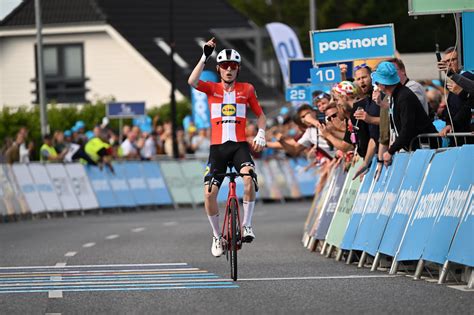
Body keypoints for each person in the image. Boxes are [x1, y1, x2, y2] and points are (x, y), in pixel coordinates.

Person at [188, 38, 266, 257]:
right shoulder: (211, 88)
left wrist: (261, 133)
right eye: (224, 66)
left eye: (233, 66)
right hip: (218, 149)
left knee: (249, 179)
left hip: (240, 146)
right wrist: (204, 56)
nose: (229, 70)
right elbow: (192, 81)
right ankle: (216, 236)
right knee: (209, 194)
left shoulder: (247, 89)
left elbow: (261, 116)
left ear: (238, 69)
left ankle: (247, 225)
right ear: (219, 69)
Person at [371, 62, 438, 166]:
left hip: (425, 148)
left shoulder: (404, 97)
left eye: (377, 82)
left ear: (383, 84)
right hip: (417, 148)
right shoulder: (397, 95)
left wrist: (390, 151)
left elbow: (407, 129)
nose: (376, 85)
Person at [437, 47, 474, 138]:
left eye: (453, 60)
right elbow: (452, 106)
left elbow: (467, 105)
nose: (449, 63)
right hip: (456, 131)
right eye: (446, 61)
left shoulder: (467, 76)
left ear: (460, 60)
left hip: (465, 131)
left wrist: (452, 124)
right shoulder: (453, 78)